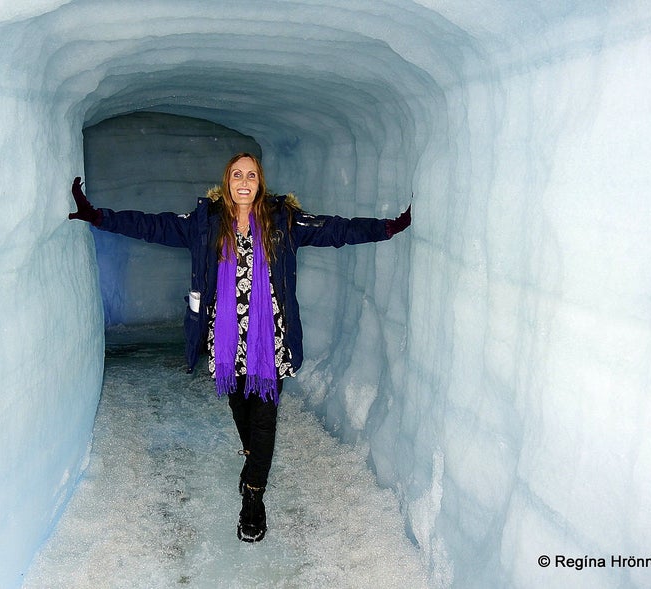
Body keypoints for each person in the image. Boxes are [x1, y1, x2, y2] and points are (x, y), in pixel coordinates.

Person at [68, 153, 411, 543]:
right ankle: (254, 463)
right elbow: (153, 225)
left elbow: (336, 230)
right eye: (236, 175)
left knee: (264, 419)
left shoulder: (283, 220)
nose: (244, 181)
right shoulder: (207, 223)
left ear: (260, 181)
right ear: (227, 181)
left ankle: (253, 498)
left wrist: (386, 228)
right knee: (242, 410)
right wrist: (98, 216)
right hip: (226, 340)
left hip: (270, 339)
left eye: (251, 175)